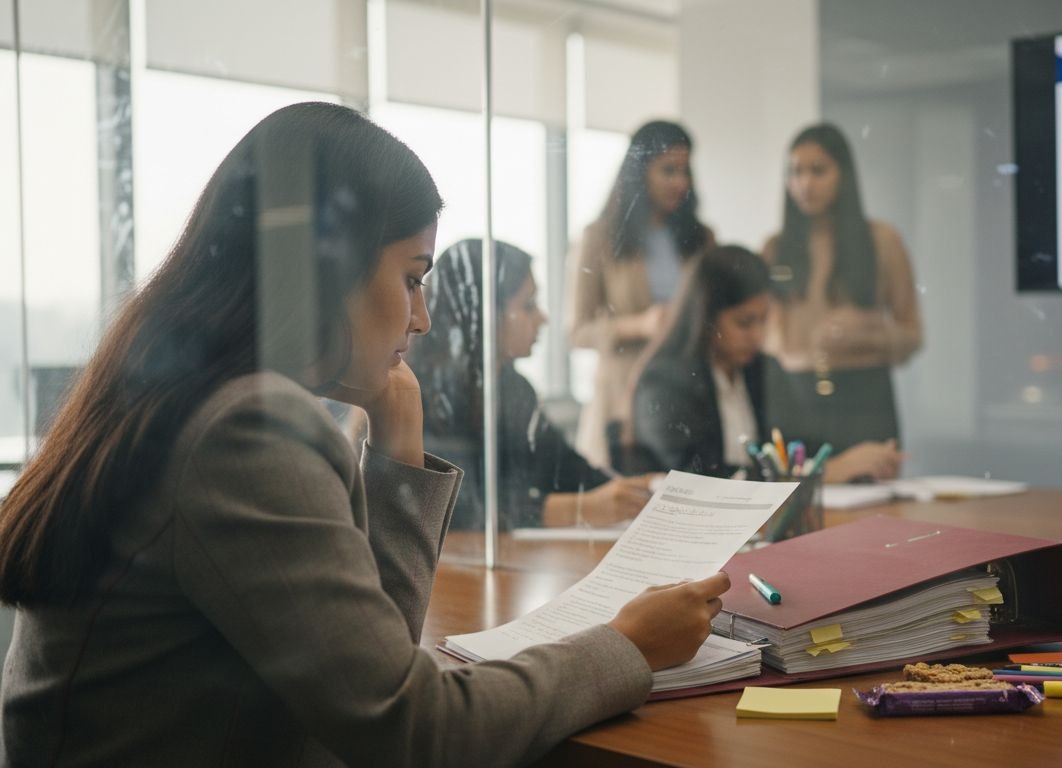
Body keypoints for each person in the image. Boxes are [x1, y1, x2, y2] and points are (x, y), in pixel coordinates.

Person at [0, 102, 728, 767]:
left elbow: (371, 665)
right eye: (412, 279)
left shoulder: (183, 394)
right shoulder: (242, 432)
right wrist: (626, 646)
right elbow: (414, 731)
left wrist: (398, 439)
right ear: (329, 270)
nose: (424, 318)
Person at [410, 238, 655, 530]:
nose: (543, 318)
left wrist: (639, 490)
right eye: (528, 305)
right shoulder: (426, 394)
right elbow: (461, 506)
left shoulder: (513, 388)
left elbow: (564, 465)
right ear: (483, 316)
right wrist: (583, 508)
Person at [631, 245, 904, 482]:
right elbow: (699, 480)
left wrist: (857, 464)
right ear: (706, 319)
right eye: (745, 322)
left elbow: (795, 446)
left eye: (764, 319)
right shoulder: (665, 383)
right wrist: (823, 472)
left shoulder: (759, 368)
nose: (759, 336)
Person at [762, 123, 923, 452]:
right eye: (795, 172)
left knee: (876, 497)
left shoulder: (881, 240)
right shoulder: (774, 248)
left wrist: (868, 331)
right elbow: (759, 335)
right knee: (797, 497)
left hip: (864, 395)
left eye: (818, 171)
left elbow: (912, 334)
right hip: (794, 394)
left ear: (843, 174)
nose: (805, 184)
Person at [567, 120, 715, 467]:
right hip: (624, 401)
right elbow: (577, 332)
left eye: (685, 170)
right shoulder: (598, 238)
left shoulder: (701, 239)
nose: (681, 182)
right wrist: (640, 325)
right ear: (638, 171)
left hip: (688, 393)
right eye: (668, 170)